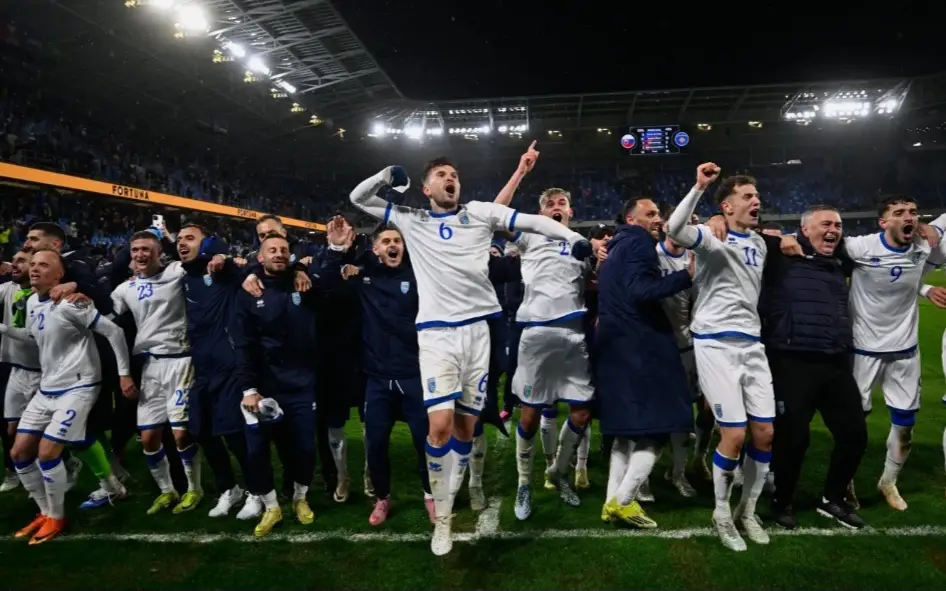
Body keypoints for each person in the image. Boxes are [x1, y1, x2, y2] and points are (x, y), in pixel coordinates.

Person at [349, 156, 592, 555]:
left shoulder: (479, 213)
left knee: (465, 430)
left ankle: (446, 506)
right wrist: (386, 176)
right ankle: (443, 519)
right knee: (439, 427)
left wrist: (572, 238)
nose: (450, 179)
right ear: (426, 188)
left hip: (479, 332)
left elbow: (533, 222)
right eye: (441, 175)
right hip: (436, 336)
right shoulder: (412, 219)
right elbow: (359, 198)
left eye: (454, 175)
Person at [666, 164, 773, 552]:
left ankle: (748, 511)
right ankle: (722, 513)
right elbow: (674, 229)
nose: (756, 201)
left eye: (756, 196)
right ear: (727, 207)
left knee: (765, 433)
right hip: (715, 344)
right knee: (734, 434)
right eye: (747, 196)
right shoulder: (711, 238)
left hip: (752, 345)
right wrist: (699, 187)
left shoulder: (760, 243)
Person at [2, 249, 134, 544]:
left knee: (48, 452)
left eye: (43, 265)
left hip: (79, 387)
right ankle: (45, 512)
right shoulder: (33, 301)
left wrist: (124, 374)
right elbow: (33, 336)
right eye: (33, 264)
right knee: (19, 453)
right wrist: (4, 330)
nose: (35, 269)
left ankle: (57, 517)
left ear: (59, 274)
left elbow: (114, 332)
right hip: (47, 388)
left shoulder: (72, 303)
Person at [756, 205, 874, 530]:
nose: (834, 230)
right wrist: (777, 239)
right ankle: (782, 500)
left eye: (838, 225)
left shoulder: (839, 260)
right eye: (826, 224)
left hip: (835, 361)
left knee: (855, 434)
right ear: (805, 229)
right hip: (792, 361)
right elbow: (743, 234)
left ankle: (832, 498)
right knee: (793, 439)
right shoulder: (780, 256)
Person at [235, 229, 346, 537]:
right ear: (260, 258)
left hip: (301, 385)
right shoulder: (250, 290)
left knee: (305, 449)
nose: (279, 253)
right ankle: (271, 506)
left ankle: (299, 498)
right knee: (257, 451)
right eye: (272, 250)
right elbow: (243, 344)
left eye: (284, 249)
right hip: (263, 388)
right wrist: (249, 389)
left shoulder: (305, 285)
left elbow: (330, 282)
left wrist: (329, 253)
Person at [839, 195, 946, 511]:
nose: (908, 217)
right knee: (854, 424)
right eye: (899, 212)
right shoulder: (860, 247)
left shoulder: (922, 247)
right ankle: (845, 481)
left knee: (905, 426)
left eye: (913, 211)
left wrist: (925, 288)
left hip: (905, 352)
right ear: (883, 222)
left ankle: (888, 482)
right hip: (863, 351)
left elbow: (908, 272)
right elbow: (815, 240)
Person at [596, 196, 694, 529]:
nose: (658, 219)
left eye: (658, 214)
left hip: (615, 347)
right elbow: (641, 290)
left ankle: (610, 500)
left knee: (624, 431)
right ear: (631, 219)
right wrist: (686, 275)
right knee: (662, 424)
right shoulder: (639, 243)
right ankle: (624, 501)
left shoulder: (616, 247)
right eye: (650, 214)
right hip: (641, 345)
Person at [332, 224, 437, 525]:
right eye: (386, 241)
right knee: (375, 444)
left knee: (425, 442)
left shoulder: (419, 276)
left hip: (413, 375)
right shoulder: (364, 278)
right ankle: (382, 498)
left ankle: (430, 494)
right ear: (375, 248)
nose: (393, 245)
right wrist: (337, 253)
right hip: (377, 379)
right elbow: (327, 284)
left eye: (397, 241)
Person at [503, 187, 595, 520]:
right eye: (549, 204)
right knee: (529, 415)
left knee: (582, 412)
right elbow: (495, 213)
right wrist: (521, 174)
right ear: (541, 214)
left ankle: (558, 471)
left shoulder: (581, 245)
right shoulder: (529, 237)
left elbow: (592, 282)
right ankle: (524, 483)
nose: (556, 207)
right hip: (538, 334)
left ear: (570, 212)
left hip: (574, 334)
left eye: (562, 203)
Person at [110, 230, 215, 515]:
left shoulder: (176, 272)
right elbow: (108, 321)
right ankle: (167, 491)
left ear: (159, 253)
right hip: (150, 366)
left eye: (146, 249)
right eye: (135, 250)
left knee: (181, 435)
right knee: (148, 438)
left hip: (181, 361)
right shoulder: (125, 289)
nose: (140, 255)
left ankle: (194, 489)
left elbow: (200, 260)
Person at [656, 210, 713, 495]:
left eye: (692, 224)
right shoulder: (651, 255)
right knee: (663, 414)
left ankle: (692, 463)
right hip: (657, 347)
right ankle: (655, 474)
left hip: (691, 344)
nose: (687, 228)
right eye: (683, 223)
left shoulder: (700, 257)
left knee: (706, 408)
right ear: (667, 226)